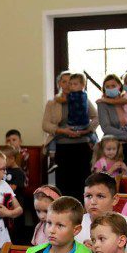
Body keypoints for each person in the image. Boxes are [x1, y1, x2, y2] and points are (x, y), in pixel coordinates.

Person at [42, 71, 99, 199]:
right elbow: (45, 125)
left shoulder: (83, 98)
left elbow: (96, 117)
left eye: (71, 82)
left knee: (83, 181)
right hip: (62, 146)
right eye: (64, 82)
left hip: (82, 144)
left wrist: (86, 130)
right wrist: (62, 131)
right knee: (64, 182)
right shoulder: (53, 103)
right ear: (59, 84)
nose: (68, 85)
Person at [77, 173, 127, 252]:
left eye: (100, 196)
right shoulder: (75, 224)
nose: (93, 202)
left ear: (115, 200)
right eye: (88, 196)